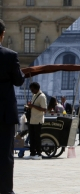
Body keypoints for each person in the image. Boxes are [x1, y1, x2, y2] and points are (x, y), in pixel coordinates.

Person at [0, 18, 25, 194]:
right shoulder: (9, 56)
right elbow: (18, 81)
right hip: (4, 114)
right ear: (2, 35)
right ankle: (5, 190)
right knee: (5, 155)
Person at [25, 82, 47, 160]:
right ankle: (32, 153)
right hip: (32, 119)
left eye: (32, 89)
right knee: (32, 137)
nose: (31, 91)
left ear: (36, 88)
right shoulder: (34, 95)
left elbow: (44, 109)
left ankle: (39, 153)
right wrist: (29, 107)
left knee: (37, 138)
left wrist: (32, 106)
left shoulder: (42, 96)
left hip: (38, 120)